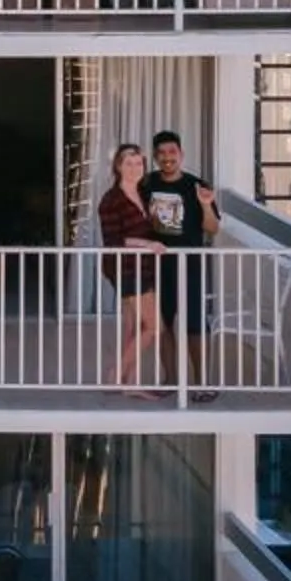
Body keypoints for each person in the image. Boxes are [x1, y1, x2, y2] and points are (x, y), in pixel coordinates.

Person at [144, 129, 221, 398]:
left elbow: (212, 228)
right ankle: (171, 380)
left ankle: (201, 383)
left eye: (172, 152)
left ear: (181, 154)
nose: (167, 158)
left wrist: (206, 204)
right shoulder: (147, 183)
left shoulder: (196, 185)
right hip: (157, 266)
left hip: (190, 265)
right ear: (154, 156)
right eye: (162, 153)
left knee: (195, 323)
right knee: (162, 324)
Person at [95, 142, 164, 395]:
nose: (135, 168)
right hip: (126, 268)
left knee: (133, 327)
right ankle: (115, 375)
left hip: (144, 267)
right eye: (129, 163)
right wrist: (148, 243)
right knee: (154, 326)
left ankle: (131, 384)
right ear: (118, 167)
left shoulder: (144, 194)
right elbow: (114, 239)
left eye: (139, 163)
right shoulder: (111, 199)